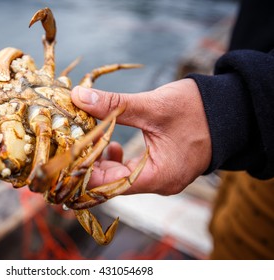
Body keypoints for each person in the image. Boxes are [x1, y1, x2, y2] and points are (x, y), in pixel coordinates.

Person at [71, 0, 274, 259]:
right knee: (221, 225)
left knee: (241, 249)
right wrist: (238, 115)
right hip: (254, 135)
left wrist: (232, 108)